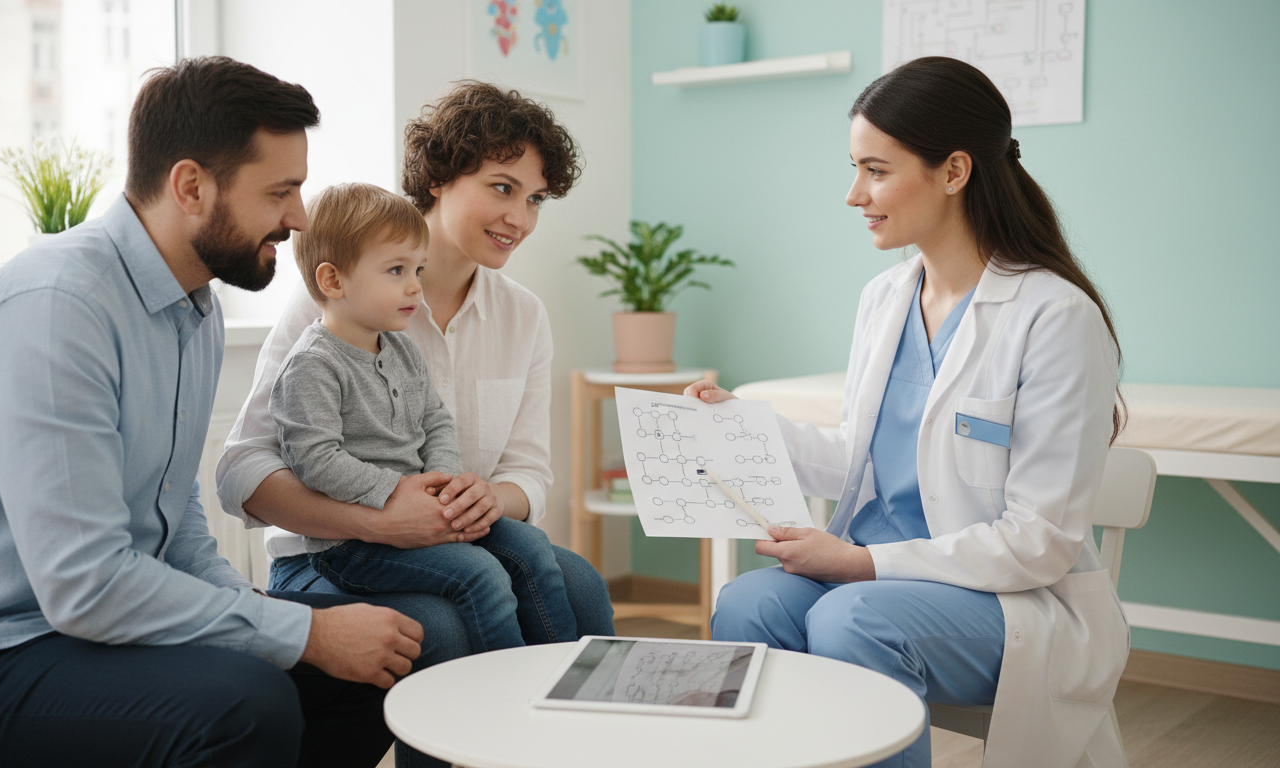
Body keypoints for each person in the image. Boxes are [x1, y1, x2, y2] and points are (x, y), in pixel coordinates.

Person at [0, 57, 437, 767]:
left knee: (378, 659)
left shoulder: (192, 308)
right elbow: (85, 586)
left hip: (95, 628)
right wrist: (299, 633)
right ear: (192, 186)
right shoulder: (56, 310)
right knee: (248, 701)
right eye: (281, 192)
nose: (299, 217)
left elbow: (175, 520)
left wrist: (269, 617)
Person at [688, 57, 1130, 768]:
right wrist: (745, 423)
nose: (853, 193)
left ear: (954, 172)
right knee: (749, 605)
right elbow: (863, 455)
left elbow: (1040, 540)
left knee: (850, 618)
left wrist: (863, 563)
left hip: (1010, 599)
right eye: (856, 168)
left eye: (875, 170)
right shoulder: (884, 299)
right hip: (880, 578)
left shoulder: (1054, 318)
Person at [217, 80, 614, 765]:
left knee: (579, 580)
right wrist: (380, 516)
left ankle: (583, 743)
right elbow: (241, 473)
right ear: (437, 178)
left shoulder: (523, 315)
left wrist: (492, 494)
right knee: (436, 625)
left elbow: (528, 471)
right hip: (329, 559)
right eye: (501, 187)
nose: (520, 216)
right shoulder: (334, 303)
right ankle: (516, 741)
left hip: (455, 540)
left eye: (535, 199)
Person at [270, 182, 577, 652]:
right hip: (350, 545)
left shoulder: (400, 348)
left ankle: (564, 679)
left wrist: (444, 482)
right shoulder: (312, 364)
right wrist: (395, 495)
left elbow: (436, 420)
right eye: (397, 271)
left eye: (417, 269)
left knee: (532, 547)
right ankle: (511, 694)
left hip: (427, 512)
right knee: (482, 574)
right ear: (332, 281)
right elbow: (314, 457)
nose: (415, 285)